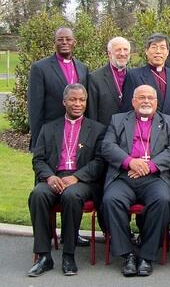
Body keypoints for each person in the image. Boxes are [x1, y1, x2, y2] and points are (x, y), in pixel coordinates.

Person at [101, 85, 170, 277]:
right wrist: (130, 162)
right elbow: (107, 146)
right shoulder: (118, 120)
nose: (146, 101)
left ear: (156, 102)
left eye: (150, 98)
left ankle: (146, 256)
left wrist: (149, 166)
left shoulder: (169, 122)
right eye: (141, 97)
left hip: (154, 177)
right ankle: (127, 254)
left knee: (162, 200)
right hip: (125, 176)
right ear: (133, 101)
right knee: (111, 200)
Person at [27, 84, 106, 277]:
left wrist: (77, 177)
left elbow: (100, 162)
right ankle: (44, 256)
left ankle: (68, 255)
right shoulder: (48, 128)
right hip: (54, 178)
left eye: (81, 100)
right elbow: (38, 159)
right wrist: (50, 177)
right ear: (64, 102)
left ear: (86, 103)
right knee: (37, 194)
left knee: (71, 196)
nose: (77, 104)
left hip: (82, 182)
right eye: (73, 99)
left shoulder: (97, 129)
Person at [28, 27, 89, 150]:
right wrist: (38, 140)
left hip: (77, 132)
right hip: (52, 132)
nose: (64, 42)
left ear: (74, 43)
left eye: (68, 39)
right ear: (54, 43)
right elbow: (35, 108)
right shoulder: (40, 68)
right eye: (60, 39)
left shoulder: (83, 68)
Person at [122, 33, 170, 119]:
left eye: (162, 47)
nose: (158, 51)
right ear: (146, 51)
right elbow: (127, 108)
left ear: (168, 52)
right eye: (154, 47)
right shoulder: (134, 75)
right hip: (144, 126)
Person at [87, 37, 131, 126]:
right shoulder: (95, 78)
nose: (122, 53)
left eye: (125, 50)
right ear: (109, 53)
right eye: (118, 50)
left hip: (129, 134)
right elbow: (92, 112)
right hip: (105, 132)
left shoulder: (134, 76)